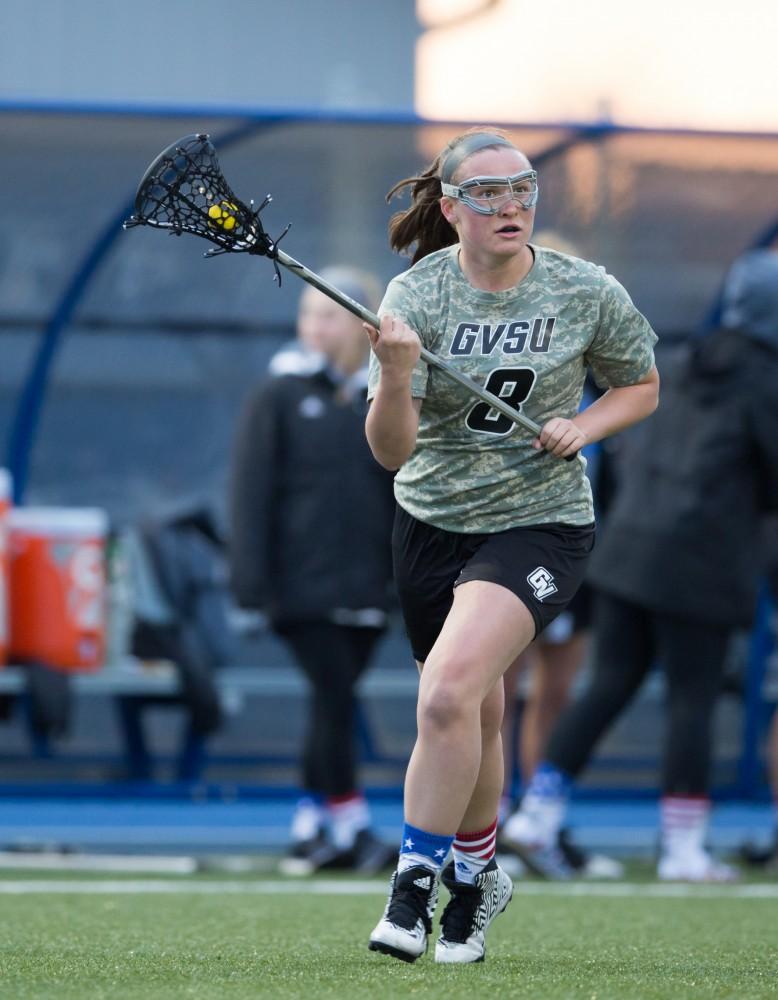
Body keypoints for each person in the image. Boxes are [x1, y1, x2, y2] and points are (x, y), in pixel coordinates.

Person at [363, 127, 659, 964]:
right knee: (478, 713)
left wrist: (586, 424)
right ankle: (480, 875)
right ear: (452, 208)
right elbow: (390, 451)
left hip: (539, 521)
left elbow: (640, 384)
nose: (511, 204)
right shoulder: (414, 298)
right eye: (488, 192)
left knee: (448, 693)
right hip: (429, 522)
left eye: (523, 187)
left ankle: (413, 890)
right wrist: (392, 375)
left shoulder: (584, 289)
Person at [501, 247, 778, 882]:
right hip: (702, 559)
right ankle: (683, 849)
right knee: (692, 698)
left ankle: (536, 815)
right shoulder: (766, 383)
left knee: (610, 682)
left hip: (628, 549)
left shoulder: (678, 363)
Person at [228, 267, 397, 876]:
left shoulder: (386, 394)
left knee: (333, 701)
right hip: (301, 585)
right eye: (308, 314)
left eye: (329, 314)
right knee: (334, 696)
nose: (316, 326)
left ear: (363, 321)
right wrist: (251, 580)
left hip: (368, 583)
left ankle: (310, 825)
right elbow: (251, 491)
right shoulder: (277, 394)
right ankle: (351, 823)